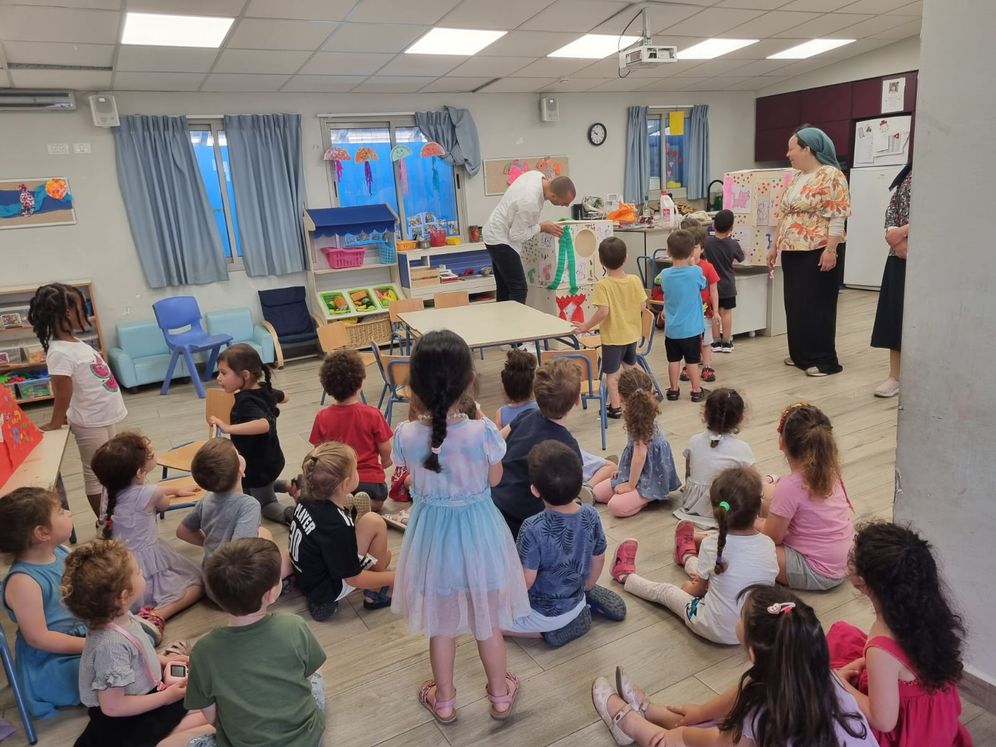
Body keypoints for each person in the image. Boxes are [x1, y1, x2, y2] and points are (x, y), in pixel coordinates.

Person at [391, 330, 530, 724]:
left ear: (413, 384)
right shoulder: (481, 431)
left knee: (442, 626)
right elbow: (495, 480)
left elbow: (410, 475)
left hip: (433, 541)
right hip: (480, 537)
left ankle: (446, 701)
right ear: (470, 379)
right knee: (489, 623)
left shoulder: (406, 434)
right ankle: (500, 695)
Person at [591, 585, 877, 747]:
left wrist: (683, 733)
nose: (737, 621)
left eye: (741, 617)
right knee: (709, 721)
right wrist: (701, 712)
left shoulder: (765, 715)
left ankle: (642, 731)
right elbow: (747, 691)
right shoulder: (817, 675)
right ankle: (652, 712)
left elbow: (720, 743)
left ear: (752, 651)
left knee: (684, 737)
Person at [829, 522, 973, 746]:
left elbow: (883, 722)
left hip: (907, 734)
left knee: (832, 658)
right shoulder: (926, 610)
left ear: (864, 584)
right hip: (935, 721)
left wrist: (838, 685)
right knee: (844, 636)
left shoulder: (882, 649)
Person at [174, 538, 327, 747]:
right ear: (272, 593)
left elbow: (212, 718)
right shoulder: (294, 625)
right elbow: (308, 680)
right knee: (318, 677)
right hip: (306, 739)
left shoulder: (203, 652)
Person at [62, 540, 209, 747]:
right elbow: (113, 707)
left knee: (204, 704)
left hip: (145, 697)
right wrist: (166, 697)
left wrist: (162, 660)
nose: (142, 573)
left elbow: (137, 651)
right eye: (138, 572)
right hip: (127, 721)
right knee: (209, 713)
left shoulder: (117, 615)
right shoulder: (110, 646)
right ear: (123, 596)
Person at [610, 467, 777, 645]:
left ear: (716, 510)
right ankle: (687, 555)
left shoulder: (712, 545)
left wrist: (687, 587)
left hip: (714, 627)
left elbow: (697, 590)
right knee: (712, 573)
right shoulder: (768, 544)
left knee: (666, 592)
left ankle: (625, 575)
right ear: (758, 509)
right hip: (752, 630)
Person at [504, 441, 625, 647]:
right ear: (580, 483)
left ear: (534, 490)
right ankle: (582, 608)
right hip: (576, 599)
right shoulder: (590, 514)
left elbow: (525, 581)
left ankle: (547, 633)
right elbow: (599, 557)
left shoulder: (532, 528)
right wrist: (587, 586)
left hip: (543, 615)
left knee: (487, 625)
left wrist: (503, 600)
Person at [91, 432, 203, 641]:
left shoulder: (110, 490)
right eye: (149, 453)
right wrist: (174, 492)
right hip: (147, 560)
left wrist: (174, 488)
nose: (152, 452)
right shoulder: (151, 494)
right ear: (140, 472)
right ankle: (157, 616)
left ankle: (135, 615)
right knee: (197, 582)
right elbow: (163, 503)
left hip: (119, 561)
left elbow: (147, 493)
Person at [28, 282, 127, 516]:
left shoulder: (74, 343)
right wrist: (55, 421)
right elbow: (63, 392)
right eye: (82, 307)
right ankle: (106, 522)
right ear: (68, 313)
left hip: (103, 415)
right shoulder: (59, 351)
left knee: (110, 467)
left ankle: (114, 512)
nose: (85, 312)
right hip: (89, 421)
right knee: (95, 473)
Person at [767, 126, 851, 377]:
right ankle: (801, 355)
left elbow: (838, 214)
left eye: (792, 148)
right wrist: (773, 246)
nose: (788, 153)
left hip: (818, 249)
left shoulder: (831, 175)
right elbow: (784, 213)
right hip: (793, 250)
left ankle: (825, 360)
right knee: (796, 304)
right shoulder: (797, 176)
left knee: (817, 306)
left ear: (808, 149)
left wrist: (831, 249)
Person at [0, 487, 86, 719]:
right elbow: (39, 638)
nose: (68, 513)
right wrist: (91, 646)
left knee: (126, 641)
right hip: (51, 658)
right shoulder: (23, 582)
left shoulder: (60, 550)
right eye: (60, 511)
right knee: (105, 666)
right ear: (42, 533)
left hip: (81, 635)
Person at [289, 442, 395, 622]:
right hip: (325, 590)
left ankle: (377, 572)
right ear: (346, 483)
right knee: (381, 544)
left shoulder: (307, 495)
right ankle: (376, 592)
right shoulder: (337, 526)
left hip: (307, 573)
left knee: (373, 522)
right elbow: (353, 578)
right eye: (356, 469)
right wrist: (397, 577)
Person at [760, 403, 854, 591]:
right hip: (845, 562)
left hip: (817, 571)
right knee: (768, 500)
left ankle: (705, 540)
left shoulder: (789, 487)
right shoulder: (830, 472)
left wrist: (750, 524)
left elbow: (772, 538)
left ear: (782, 443)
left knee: (750, 543)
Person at [494, 348, 616, 488]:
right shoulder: (568, 445)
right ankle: (590, 486)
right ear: (577, 400)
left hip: (501, 492)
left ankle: (598, 467)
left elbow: (496, 440)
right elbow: (568, 488)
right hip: (534, 503)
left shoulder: (524, 415)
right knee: (611, 468)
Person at [492, 357, 583, 538]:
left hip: (495, 507)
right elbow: (562, 499)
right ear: (577, 400)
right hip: (528, 524)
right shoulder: (569, 448)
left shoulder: (526, 415)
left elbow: (494, 442)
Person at [209, 343, 294, 525]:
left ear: (245, 375)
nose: (218, 378)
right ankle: (289, 485)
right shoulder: (263, 388)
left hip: (258, 464)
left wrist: (228, 428)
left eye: (224, 373)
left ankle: (291, 515)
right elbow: (285, 396)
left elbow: (263, 425)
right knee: (253, 488)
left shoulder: (246, 401)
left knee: (266, 503)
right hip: (270, 457)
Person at [310, 349, 393, 512]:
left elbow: (318, 453)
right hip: (371, 483)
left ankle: (343, 504)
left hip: (338, 481)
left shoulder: (322, 417)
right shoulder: (373, 414)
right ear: (360, 382)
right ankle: (366, 506)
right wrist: (386, 461)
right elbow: (385, 447)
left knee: (334, 495)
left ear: (327, 387)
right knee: (378, 501)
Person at [591, 369, 680, 518]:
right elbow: (634, 453)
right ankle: (635, 494)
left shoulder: (639, 417)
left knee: (615, 507)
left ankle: (648, 496)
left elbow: (640, 455)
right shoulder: (636, 411)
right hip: (636, 469)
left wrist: (630, 485)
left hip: (651, 474)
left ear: (621, 396)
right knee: (597, 493)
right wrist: (623, 470)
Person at [573, 237, 646, 417]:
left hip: (614, 337)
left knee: (612, 374)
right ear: (626, 257)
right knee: (631, 365)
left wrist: (585, 326)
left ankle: (615, 407)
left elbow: (603, 312)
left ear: (600, 261)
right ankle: (647, 393)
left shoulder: (603, 285)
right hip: (632, 334)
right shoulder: (635, 280)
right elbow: (643, 306)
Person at [483, 172, 576, 305]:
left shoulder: (536, 175)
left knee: (505, 287)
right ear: (553, 195)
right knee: (519, 289)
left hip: (494, 231)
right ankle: (515, 325)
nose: (566, 206)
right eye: (564, 203)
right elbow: (516, 235)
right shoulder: (530, 201)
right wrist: (541, 227)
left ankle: (503, 323)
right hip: (500, 240)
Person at [176, 439, 268, 564]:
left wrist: (212, 544)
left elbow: (183, 531)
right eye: (237, 454)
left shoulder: (207, 499)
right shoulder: (249, 506)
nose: (240, 454)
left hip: (209, 569)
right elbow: (240, 554)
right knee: (266, 535)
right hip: (232, 577)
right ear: (240, 470)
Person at [674, 388, 754, 526]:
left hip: (692, 505)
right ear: (741, 418)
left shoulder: (694, 441)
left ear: (705, 414)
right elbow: (753, 484)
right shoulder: (742, 448)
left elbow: (688, 474)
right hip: (725, 506)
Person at [870, 163, 912, 398]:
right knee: (895, 314)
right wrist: (895, 237)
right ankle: (895, 376)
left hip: (931, 259)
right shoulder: (909, 172)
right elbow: (892, 210)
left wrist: (904, 230)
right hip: (898, 255)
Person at [657, 230, 707, 402]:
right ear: (692, 251)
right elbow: (703, 284)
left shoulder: (664, 275)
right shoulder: (695, 272)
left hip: (672, 329)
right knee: (692, 362)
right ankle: (696, 389)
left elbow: (665, 290)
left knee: (673, 360)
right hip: (691, 330)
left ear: (669, 252)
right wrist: (693, 264)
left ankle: (673, 389)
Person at [681, 223, 720, 383]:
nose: (692, 250)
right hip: (687, 314)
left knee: (705, 342)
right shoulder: (681, 268)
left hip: (705, 313)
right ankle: (689, 366)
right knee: (689, 342)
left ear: (702, 248)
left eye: (695, 247)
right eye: (689, 247)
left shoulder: (708, 267)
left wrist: (716, 311)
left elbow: (714, 290)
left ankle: (707, 367)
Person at [704, 209, 745, 354]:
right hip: (728, 284)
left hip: (711, 285)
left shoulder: (707, 243)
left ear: (713, 225)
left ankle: (715, 341)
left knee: (714, 312)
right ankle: (727, 342)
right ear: (731, 228)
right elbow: (741, 258)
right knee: (726, 313)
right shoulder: (733, 244)